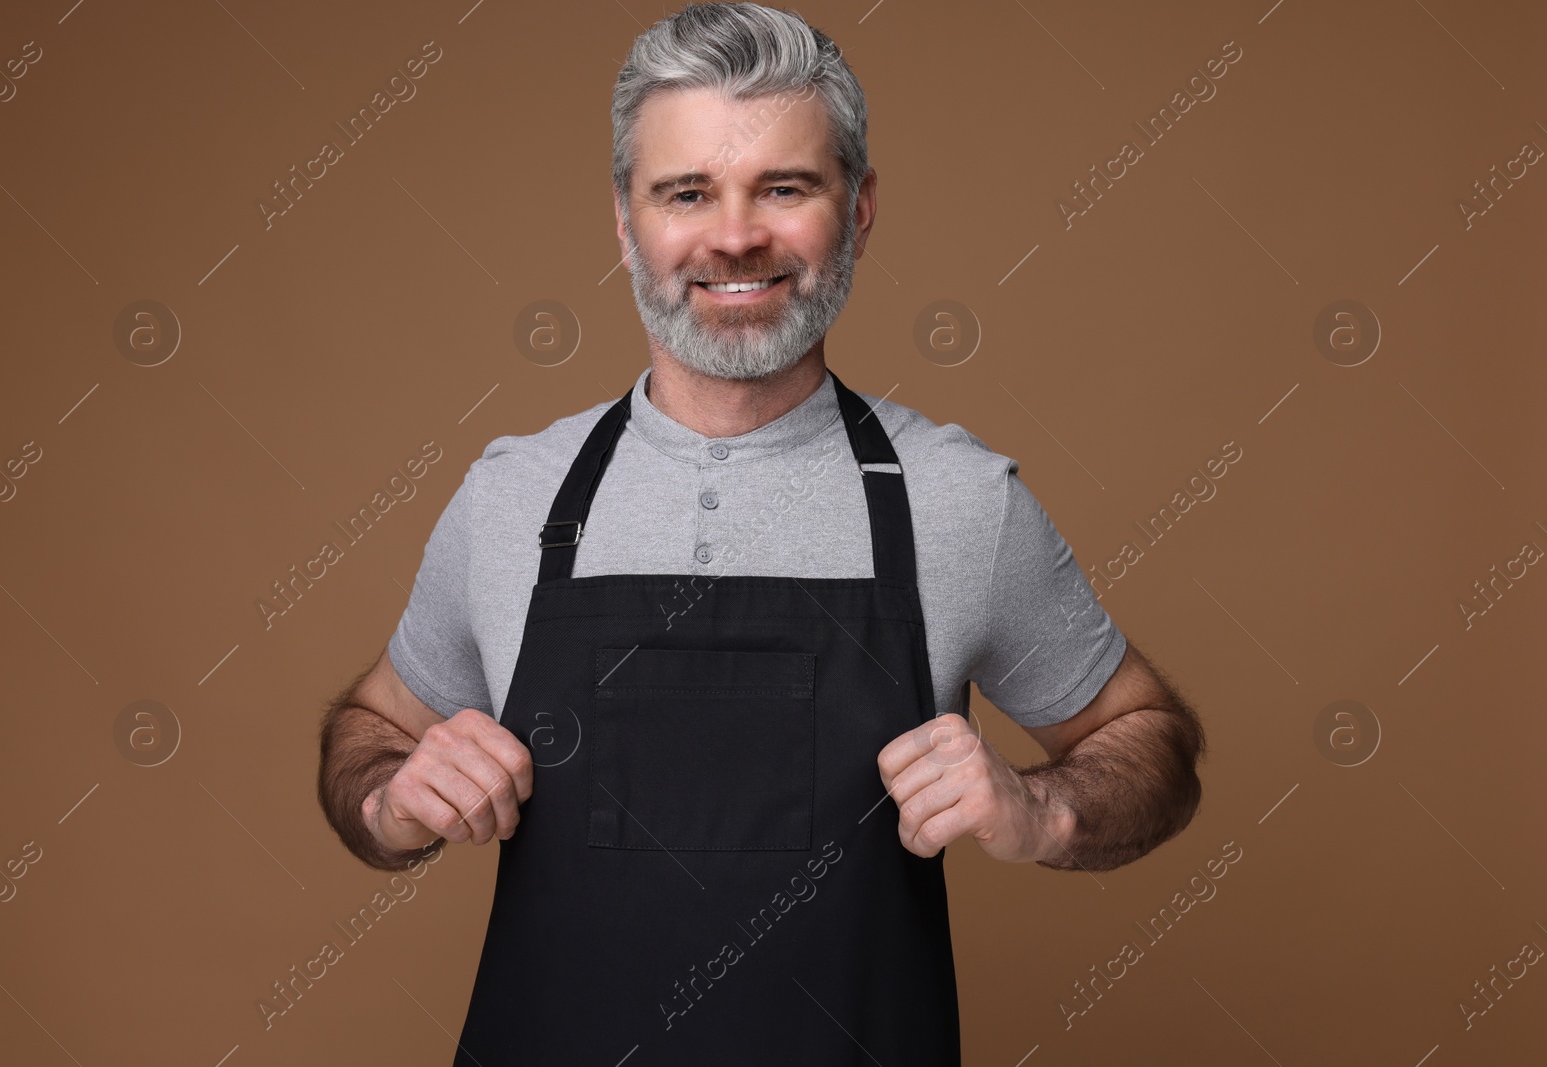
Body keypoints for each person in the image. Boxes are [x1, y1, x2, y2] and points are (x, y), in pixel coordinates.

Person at [317, 3, 1205, 1063]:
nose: (734, 235)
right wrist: (388, 799)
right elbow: (368, 728)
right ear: (623, 219)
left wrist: (1044, 810)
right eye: (686, 192)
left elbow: (1153, 741)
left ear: (859, 208)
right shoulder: (516, 493)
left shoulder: (958, 499)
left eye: (783, 188)